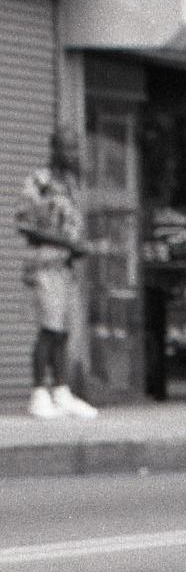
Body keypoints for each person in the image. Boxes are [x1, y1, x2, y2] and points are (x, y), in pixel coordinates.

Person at [15, 127, 95, 420]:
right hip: (45, 263)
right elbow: (25, 225)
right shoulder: (39, 182)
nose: (72, 155)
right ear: (54, 149)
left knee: (63, 331)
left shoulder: (72, 184)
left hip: (66, 266)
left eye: (75, 149)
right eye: (67, 149)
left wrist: (78, 246)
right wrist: (66, 243)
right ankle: (38, 393)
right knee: (48, 329)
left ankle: (61, 392)